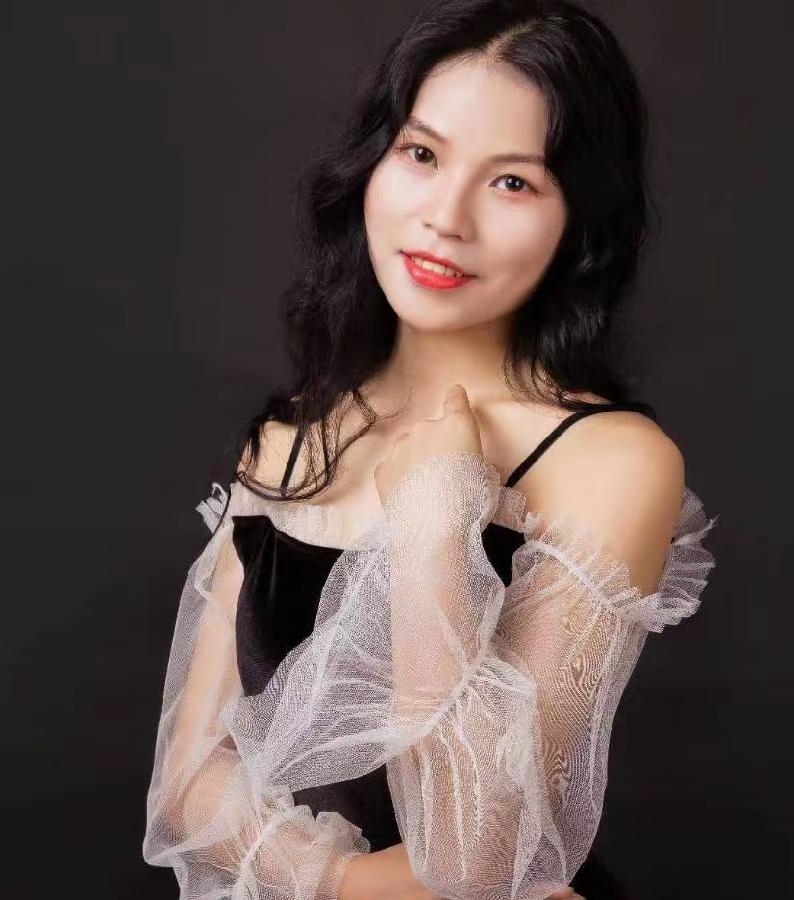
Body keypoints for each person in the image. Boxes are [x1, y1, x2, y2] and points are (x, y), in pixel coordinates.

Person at [141, 1, 720, 898]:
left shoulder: (610, 463)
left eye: (512, 182)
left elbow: (477, 853)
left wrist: (437, 512)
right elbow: (185, 791)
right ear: (374, 163)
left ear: (579, 220)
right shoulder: (292, 437)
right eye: (421, 154)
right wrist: (349, 886)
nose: (447, 217)